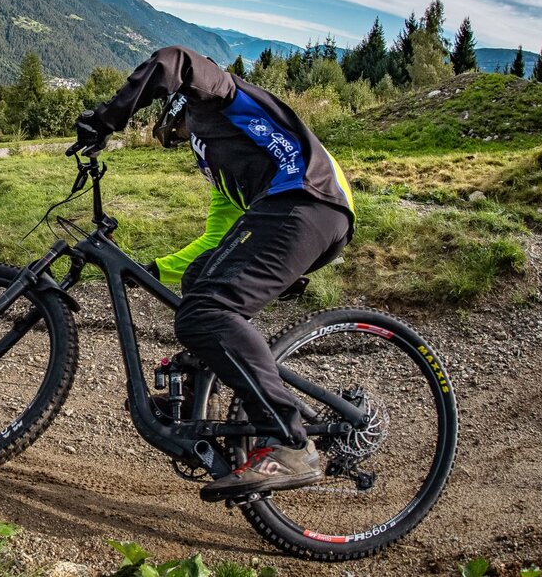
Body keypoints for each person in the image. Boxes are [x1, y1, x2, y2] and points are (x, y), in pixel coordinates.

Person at [74, 45, 354, 499]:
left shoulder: (218, 94)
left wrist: (108, 117)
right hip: (290, 214)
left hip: (308, 200)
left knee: (204, 312)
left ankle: (289, 441)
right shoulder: (222, 172)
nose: (185, 140)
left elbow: (174, 60)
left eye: (180, 131)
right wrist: (154, 269)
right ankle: (204, 389)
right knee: (200, 283)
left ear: (178, 104)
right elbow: (216, 241)